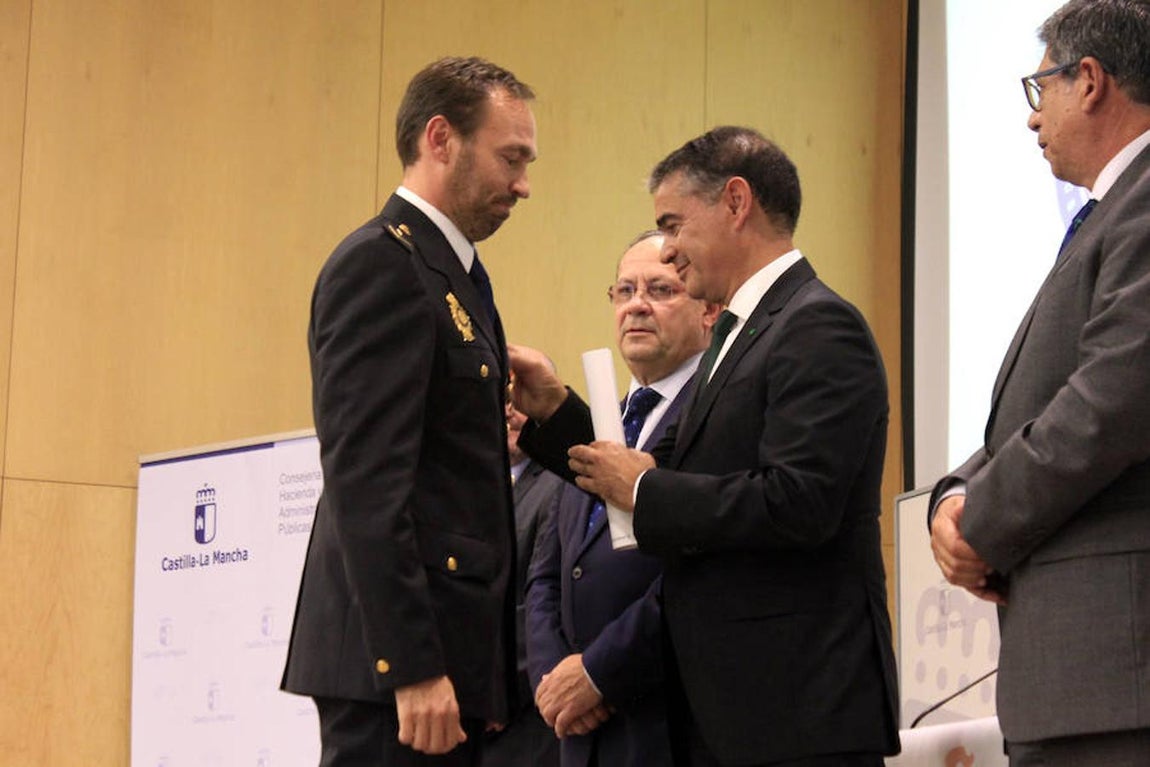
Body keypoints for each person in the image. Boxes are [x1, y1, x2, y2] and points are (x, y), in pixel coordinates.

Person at [511, 127, 899, 766]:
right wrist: (555, 413)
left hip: (796, 713)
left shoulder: (817, 325)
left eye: (673, 223)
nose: (668, 249)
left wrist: (641, 487)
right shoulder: (742, 336)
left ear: (737, 203)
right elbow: (679, 476)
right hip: (733, 717)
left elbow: (798, 501)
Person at [281, 56, 537, 765]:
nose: (524, 185)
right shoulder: (383, 266)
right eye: (510, 157)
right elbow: (368, 482)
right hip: (396, 675)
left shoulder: (452, 273)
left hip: (444, 667)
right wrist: (414, 665)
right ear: (440, 139)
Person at [927, 1, 1150, 764]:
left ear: (1089, 81)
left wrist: (980, 523)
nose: (1032, 120)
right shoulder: (1110, 211)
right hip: (1084, 678)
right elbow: (1052, 398)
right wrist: (954, 494)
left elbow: (1111, 402)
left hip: (1115, 678)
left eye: (1040, 87)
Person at [525, 231, 718, 766]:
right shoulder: (595, 427)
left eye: (660, 289)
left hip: (668, 722)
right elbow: (547, 574)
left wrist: (598, 672)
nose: (637, 304)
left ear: (708, 312)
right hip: (578, 731)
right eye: (625, 290)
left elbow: (697, 573)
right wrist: (554, 675)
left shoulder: (716, 417)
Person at [480, 394, 563, 767]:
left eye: (520, 397)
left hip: (524, 716)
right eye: (500, 400)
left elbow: (542, 600)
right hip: (465, 716)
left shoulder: (560, 482)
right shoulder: (471, 488)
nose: (509, 411)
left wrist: (497, 691)